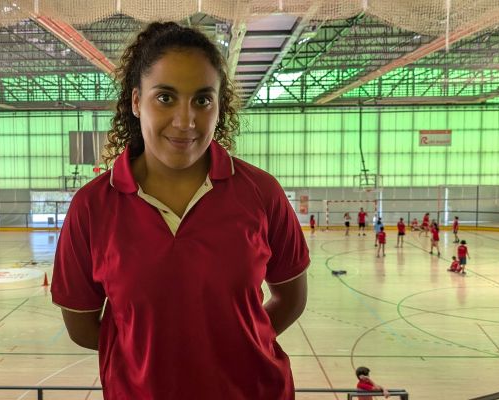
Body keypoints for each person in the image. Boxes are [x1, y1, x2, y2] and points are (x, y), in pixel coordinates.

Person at [51, 21, 309, 400]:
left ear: (219, 107)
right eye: (166, 98)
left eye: (203, 100)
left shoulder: (261, 192)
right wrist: (148, 361)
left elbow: (291, 299)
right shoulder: (92, 207)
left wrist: (236, 345)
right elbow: (82, 327)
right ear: (137, 102)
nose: (186, 121)